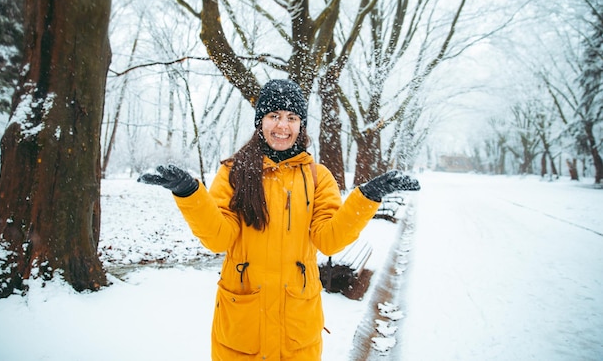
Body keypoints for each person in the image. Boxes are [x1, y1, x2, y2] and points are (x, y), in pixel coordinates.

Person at [138, 79, 420, 360]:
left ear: (301, 124)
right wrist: (190, 193)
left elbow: (330, 240)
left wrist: (367, 196)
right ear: (260, 122)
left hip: (297, 331)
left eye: (291, 117)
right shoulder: (233, 173)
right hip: (242, 329)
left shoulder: (317, 177)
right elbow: (218, 238)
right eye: (274, 116)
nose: (282, 126)